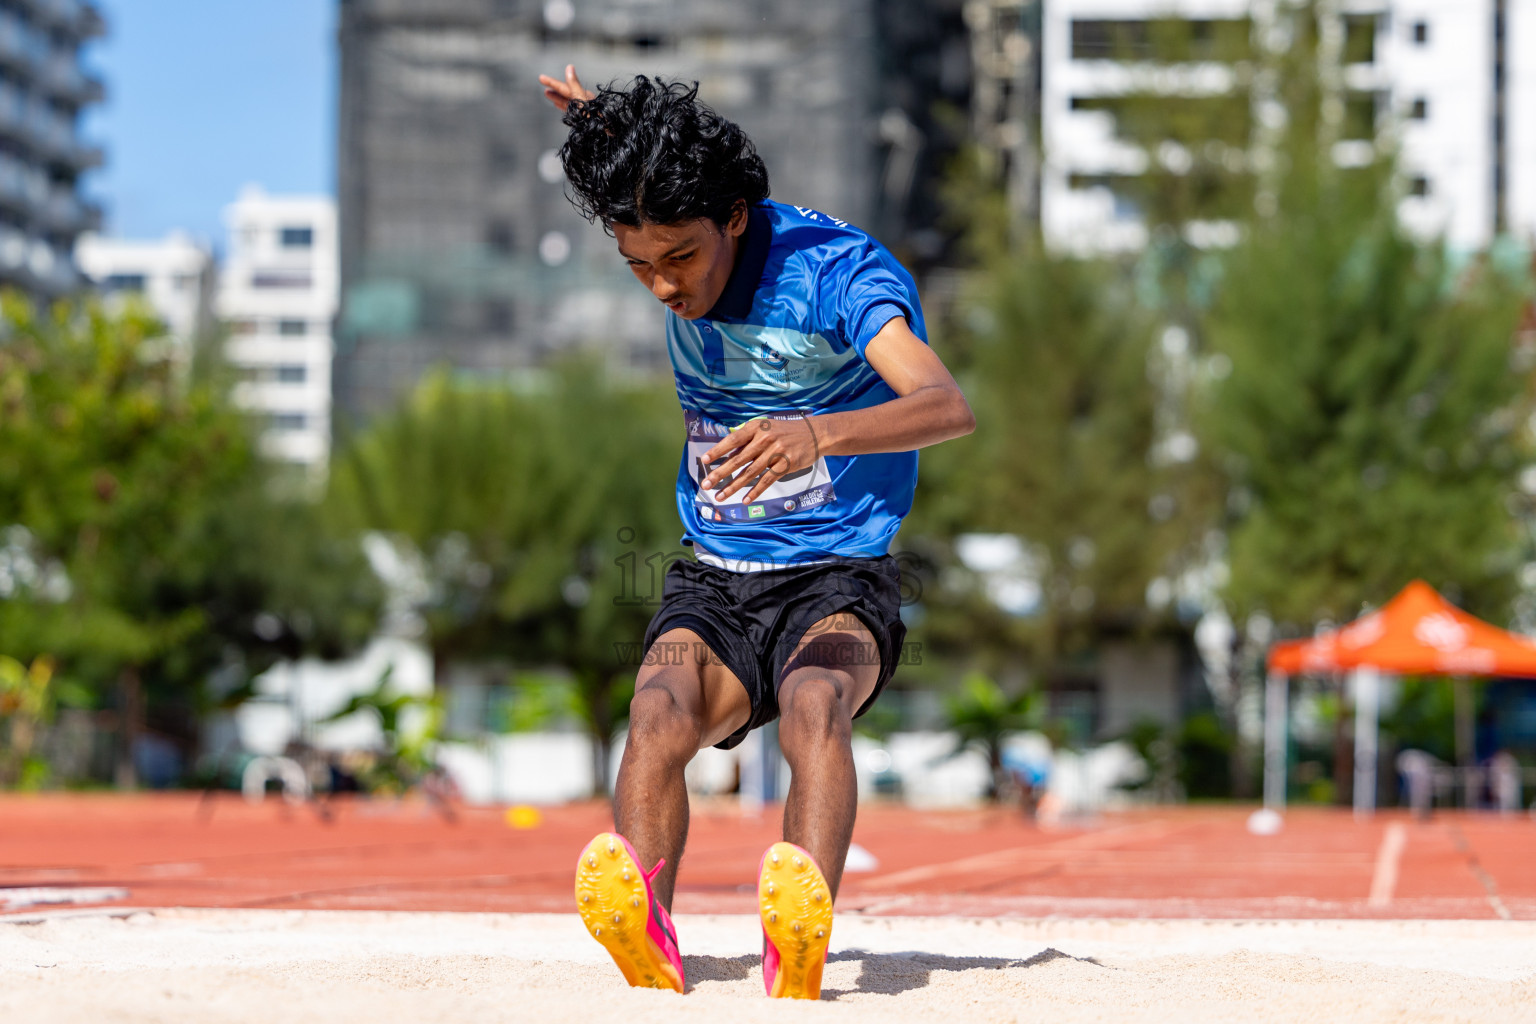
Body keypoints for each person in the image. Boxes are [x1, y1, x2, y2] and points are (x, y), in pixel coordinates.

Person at [540, 66, 974, 999]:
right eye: (639, 267)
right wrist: (606, 125)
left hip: (840, 575)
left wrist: (814, 433)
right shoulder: (672, 204)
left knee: (817, 700)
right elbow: (665, 165)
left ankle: (797, 942)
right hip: (718, 572)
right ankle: (646, 931)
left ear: (735, 215)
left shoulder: (836, 275)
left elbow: (945, 404)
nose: (663, 286)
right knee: (655, 716)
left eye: (681, 259)